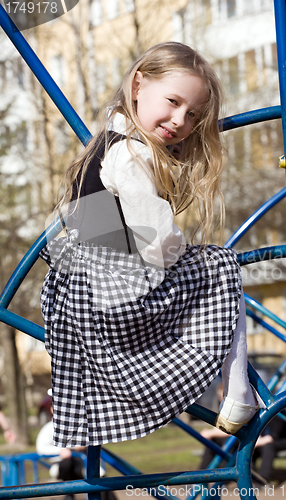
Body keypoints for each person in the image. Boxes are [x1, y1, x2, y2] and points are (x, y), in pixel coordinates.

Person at [39, 41, 260, 449]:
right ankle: (239, 392)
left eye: (193, 115)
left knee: (199, 274)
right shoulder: (130, 154)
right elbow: (159, 247)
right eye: (173, 101)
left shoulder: (103, 143)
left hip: (80, 307)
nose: (179, 120)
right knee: (221, 266)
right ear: (138, 84)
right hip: (121, 305)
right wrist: (181, 246)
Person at [252, 416, 286, 483]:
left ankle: (262, 480)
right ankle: (248, 477)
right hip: (275, 440)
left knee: (268, 446)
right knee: (251, 448)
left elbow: (272, 437)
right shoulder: (260, 414)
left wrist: (255, 444)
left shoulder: (278, 413)